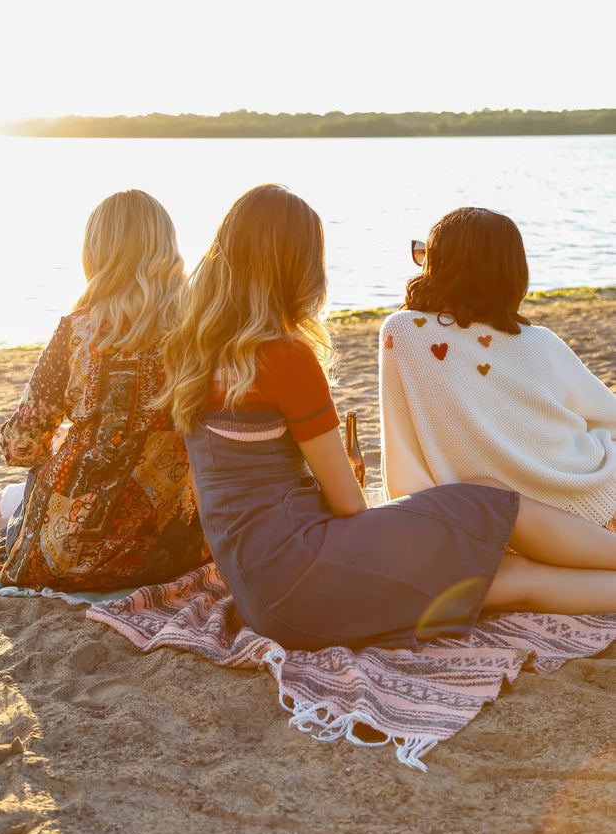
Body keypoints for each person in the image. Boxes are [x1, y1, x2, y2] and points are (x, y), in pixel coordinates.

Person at [158, 184, 616, 652]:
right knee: (492, 501)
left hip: (263, 598)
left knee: (504, 575)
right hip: (308, 574)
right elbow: (350, 505)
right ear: (296, 267)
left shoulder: (191, 350)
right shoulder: (285, 357)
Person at [0, 189, 206, 592]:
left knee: (51, 476)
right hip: (165, 551)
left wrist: (76, 441)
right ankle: (5, 523)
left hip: (60, 555)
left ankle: (9, 527)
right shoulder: (199, 331)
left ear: (95, 253)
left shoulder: (76, 332)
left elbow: (21, 446)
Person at [379, 207, 616, 527]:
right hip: (588, 493)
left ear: (441, 266)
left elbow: (402, 455)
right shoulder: (541, 342)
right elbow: (608, 415)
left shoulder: (402, 332)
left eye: (427, 255)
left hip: (491, 519)